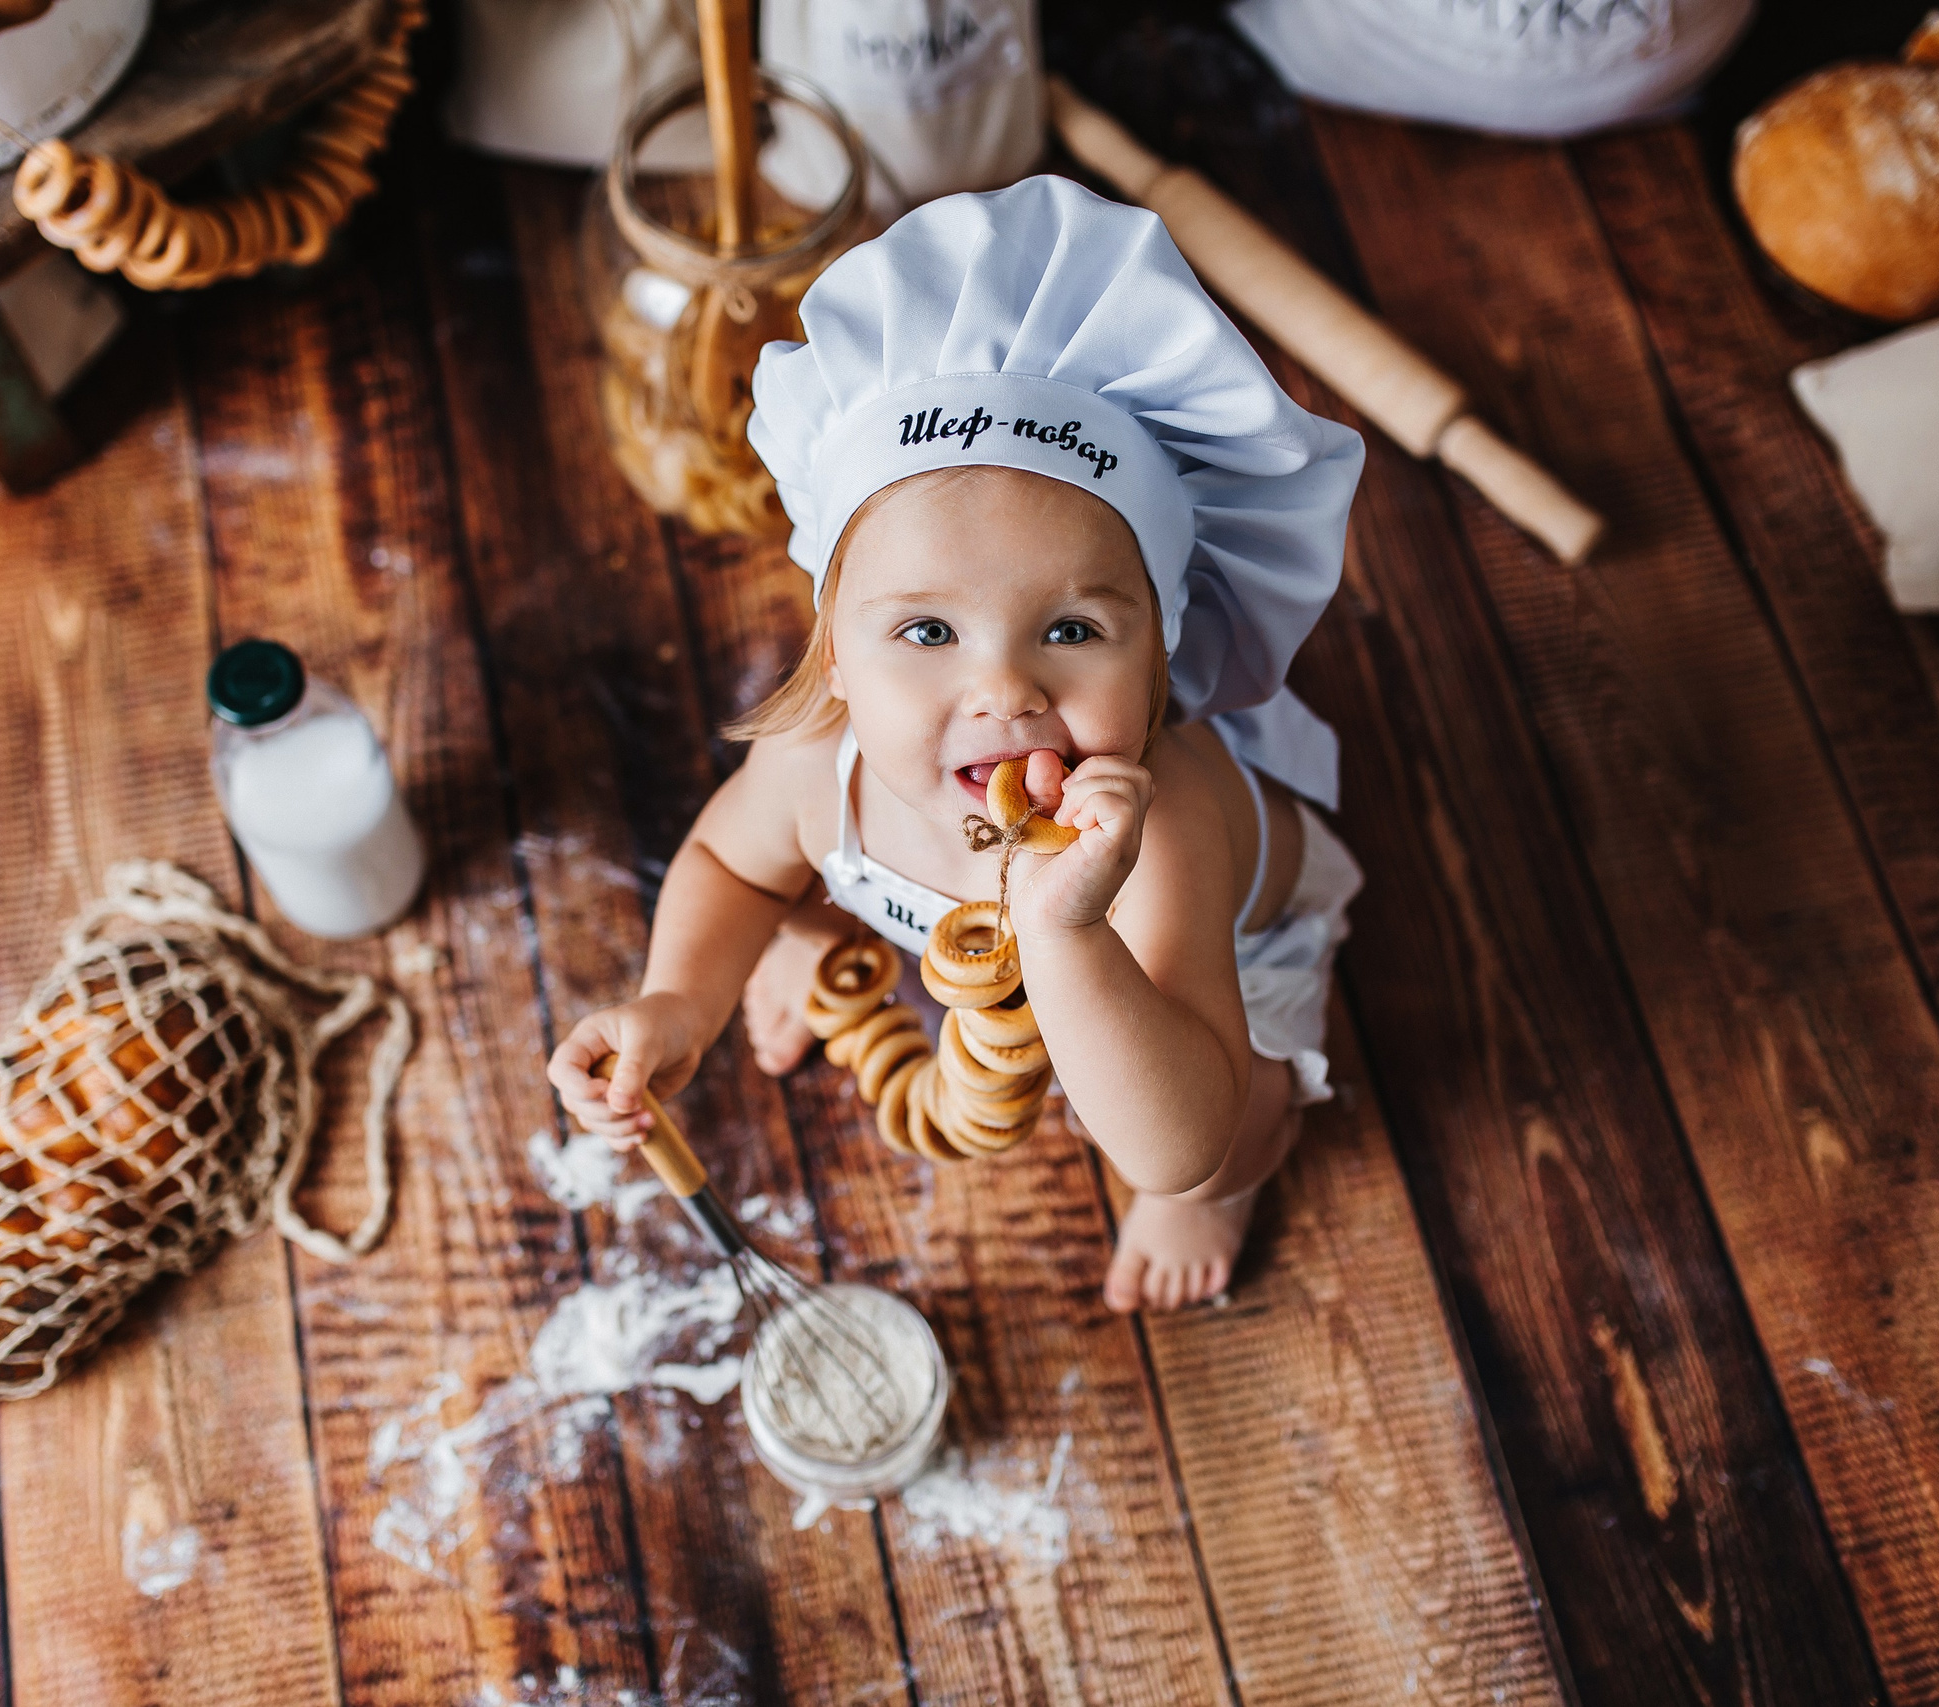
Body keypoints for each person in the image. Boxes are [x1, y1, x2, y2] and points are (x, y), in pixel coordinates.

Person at [547, 175, 1365, 1312]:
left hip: (1200, 993)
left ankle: (1228, 1194)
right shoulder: (813, 765)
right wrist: (680, 1001)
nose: (1003, 688)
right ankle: (801, 952)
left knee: (1235, 1130)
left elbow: (1171, 1138)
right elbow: (729, 862)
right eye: (926, 629)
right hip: (966, 955)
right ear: (835, 652)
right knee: (782, 895)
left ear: (1159, 658)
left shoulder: (1158, 825)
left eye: (1072, 630)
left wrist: (1067, 927)